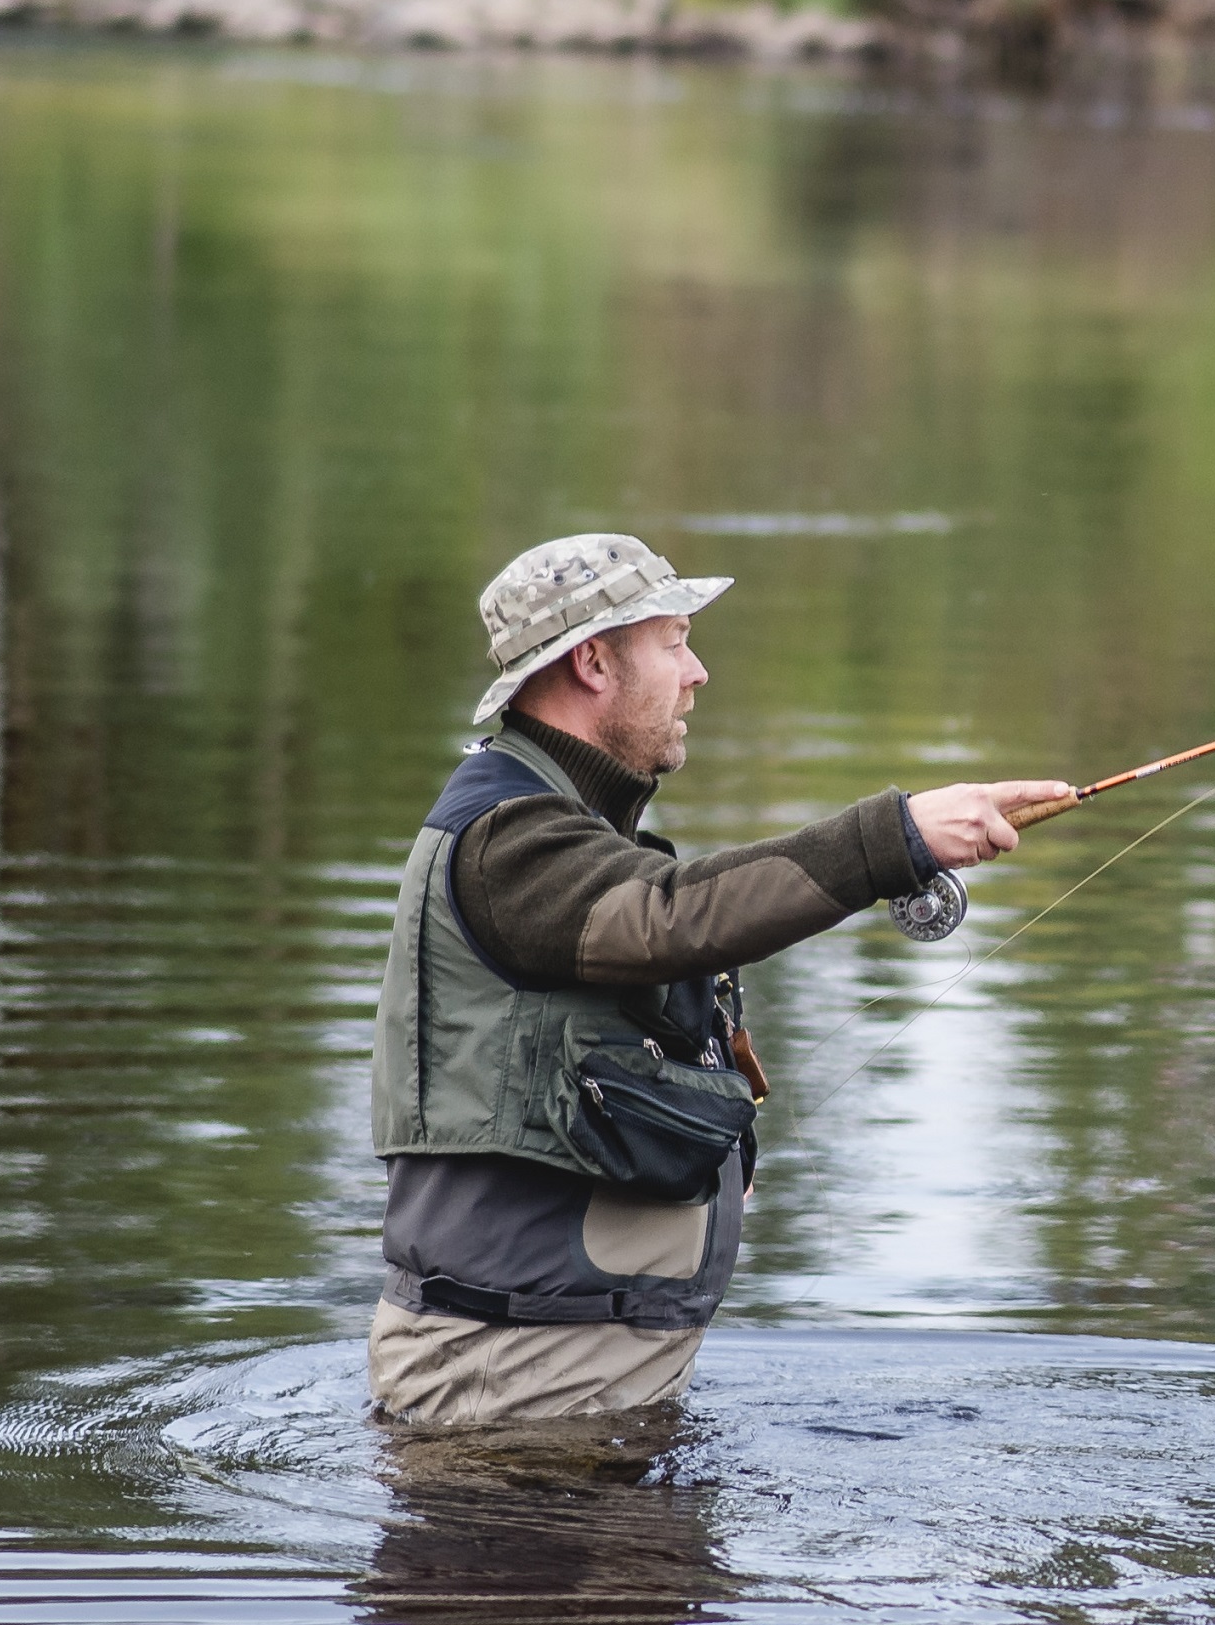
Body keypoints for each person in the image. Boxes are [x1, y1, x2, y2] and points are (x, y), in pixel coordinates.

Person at [369, 533, 1070, 1429]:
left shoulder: (569, 827)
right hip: (511, 1392)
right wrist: (892, 840)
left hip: (563, 1379)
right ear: (591, 661)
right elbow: (669, 915)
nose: (696, 672)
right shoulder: (509, 841)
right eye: (673, 642)